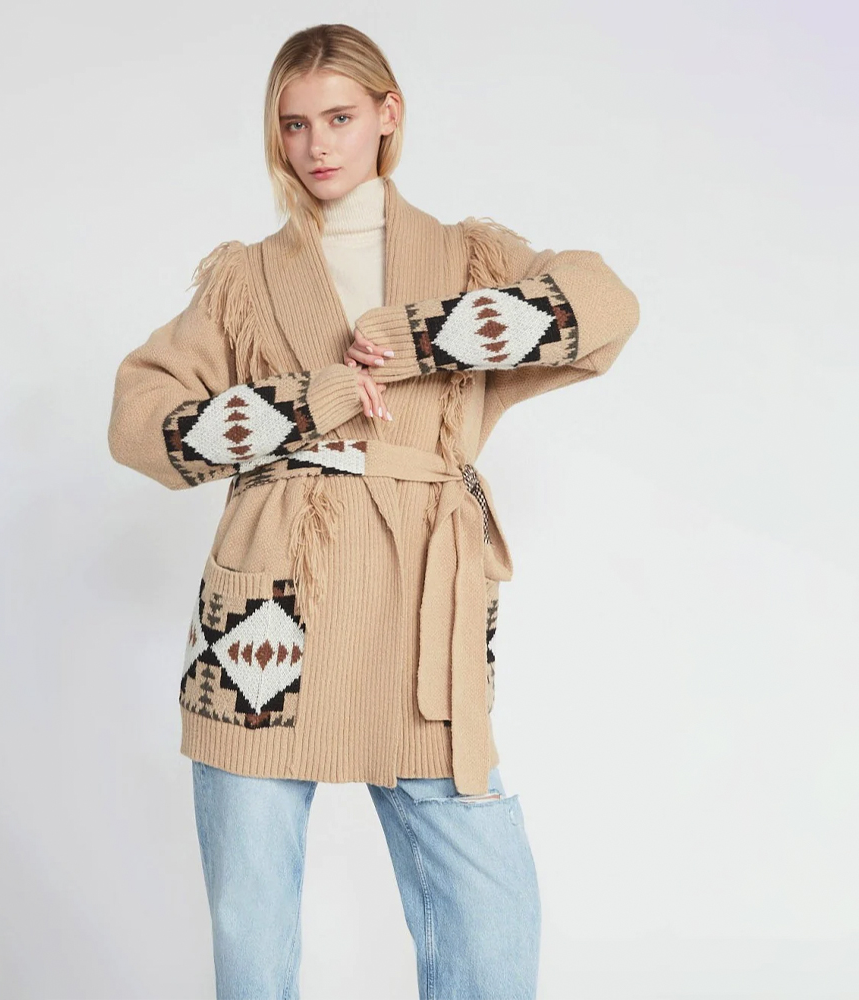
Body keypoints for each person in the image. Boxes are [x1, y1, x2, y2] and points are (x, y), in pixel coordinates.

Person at [108, 22, 640, 1000]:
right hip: (268, 608)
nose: (316, 145)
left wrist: (421, 339)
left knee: (485, 902)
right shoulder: (243, 280)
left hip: (423, 596)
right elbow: (140, 425)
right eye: (294, 124)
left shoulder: (465, 256)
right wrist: (304, 401)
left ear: (388, 115)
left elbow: (605, 307)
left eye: (340, 118)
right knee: (252, 915)